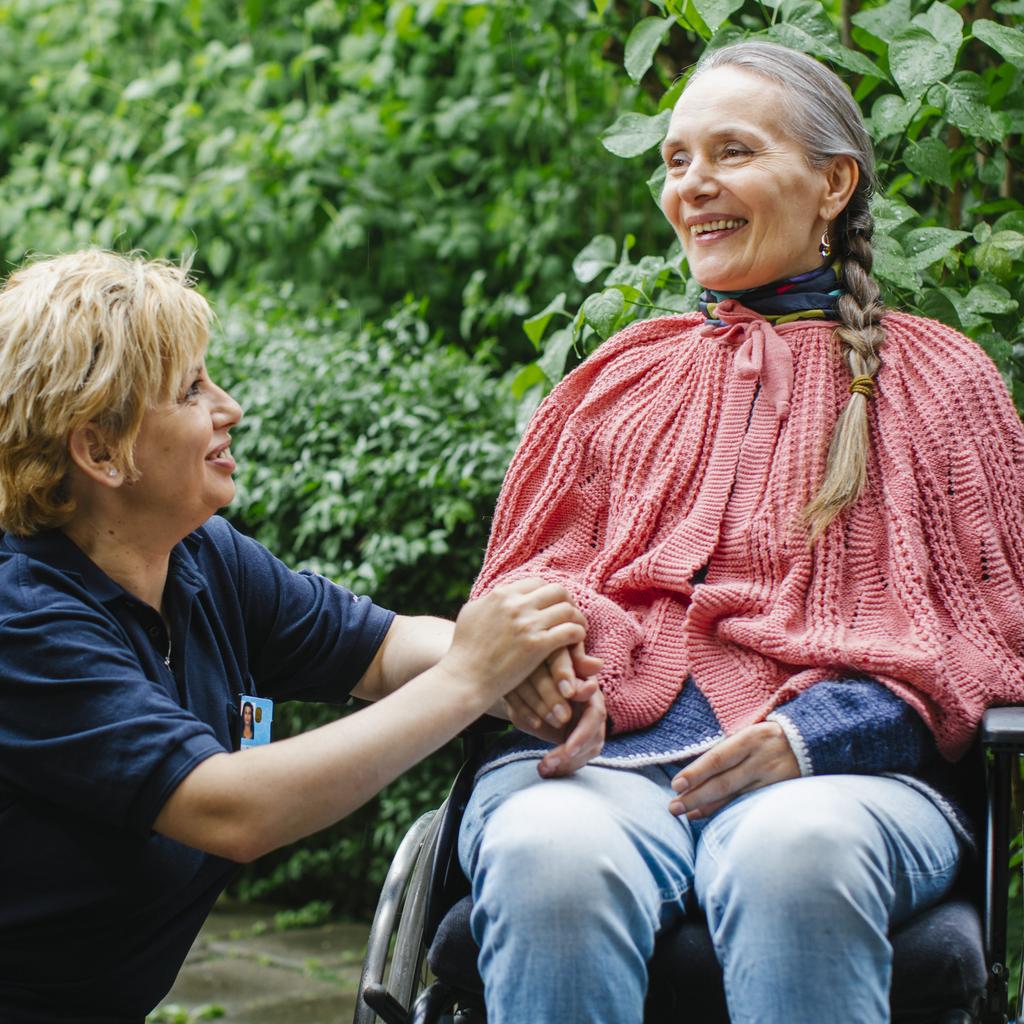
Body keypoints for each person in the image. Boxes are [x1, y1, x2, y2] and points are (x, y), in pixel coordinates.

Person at [458, 39, 1024, 1024]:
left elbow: (991, 643)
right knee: (547, 859)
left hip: (851, 782)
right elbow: (512, 597)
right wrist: (541, 664)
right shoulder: (616, 379)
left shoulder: (940, 380)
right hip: (602, 768)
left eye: (731, 152)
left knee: (790, 852)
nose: (693, 186)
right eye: (676, 160)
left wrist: (819, 736)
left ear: (832, 183)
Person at [0, 249, 604, 1024]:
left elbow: (382, 650)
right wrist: (469, 681)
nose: (230, 409)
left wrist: (528, 664)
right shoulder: (25, 620)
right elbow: (229, 810)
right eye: (191, 391)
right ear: (99, 451)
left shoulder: (198, 557)